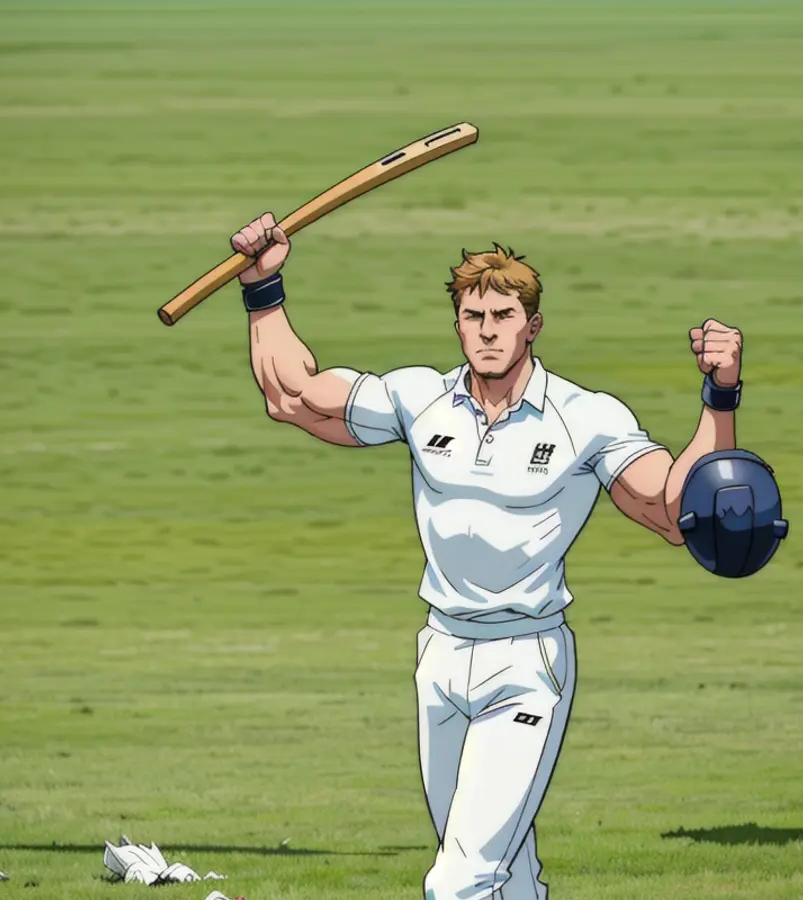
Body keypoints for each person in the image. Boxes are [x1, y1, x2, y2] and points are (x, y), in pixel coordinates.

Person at [232, 212, 744, 900]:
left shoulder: (584, 419)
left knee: (460, 882)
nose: (489, 329)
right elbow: (293, 396)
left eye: (504, 314)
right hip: (440, 658)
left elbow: (673, 508)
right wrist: (265, 290)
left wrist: (719, 397)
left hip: (525, 665)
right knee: (508, 879)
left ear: (532, 325)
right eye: (474, 315)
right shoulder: (421, 401)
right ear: (458, 324)